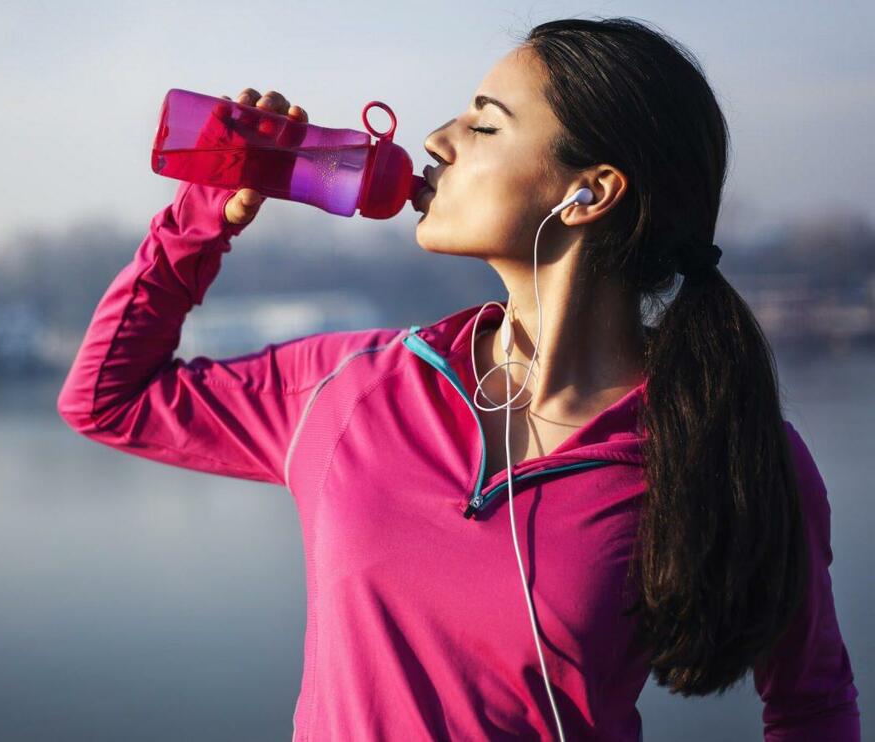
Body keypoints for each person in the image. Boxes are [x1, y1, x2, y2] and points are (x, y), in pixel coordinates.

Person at [57, 16, 861, 741]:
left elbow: (811, 707)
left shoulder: (728, 446)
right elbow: (107, 399)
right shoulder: (354, 385)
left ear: (589, 193)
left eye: (484, 123)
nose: (436, 140)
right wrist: (203, 212)